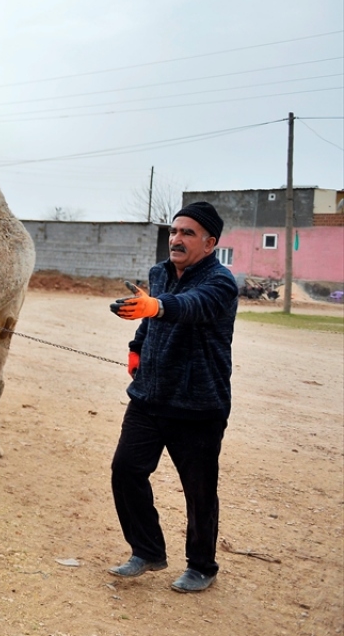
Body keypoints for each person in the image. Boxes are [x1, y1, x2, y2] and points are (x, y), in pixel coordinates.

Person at [106, 201, 238, 593]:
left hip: (199, 405)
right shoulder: (159, 273)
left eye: (188, 233)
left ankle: (202, 566)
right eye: (174, 231)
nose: (176, 239)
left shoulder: (220, 282)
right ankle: (147, 550)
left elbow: (193, 306)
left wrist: (157, 305)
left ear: (210, 243)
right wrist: (136, 349)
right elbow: (150, 321)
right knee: (126, 470)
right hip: (149, 396)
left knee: (199, 491)